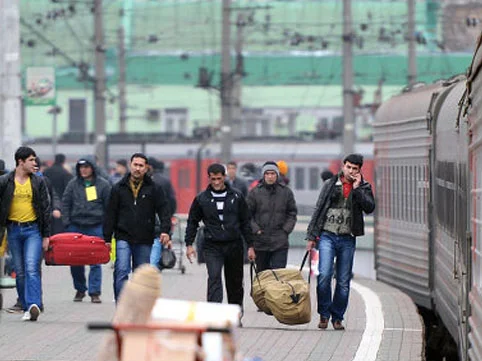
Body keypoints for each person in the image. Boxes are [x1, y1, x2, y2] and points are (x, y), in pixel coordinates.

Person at [306, 153, 375, 331]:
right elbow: (319, 208)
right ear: (343, 166)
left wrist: (358, 188)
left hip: (347, 238)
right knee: (324, 275)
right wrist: (311, 236)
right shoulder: (330, 184)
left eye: (355, 169)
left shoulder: (363, 187)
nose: (351, 171)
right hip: (327, 235)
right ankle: (324, 314)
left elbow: (369, 208)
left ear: (359, 171)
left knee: (343, 281)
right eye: (348, 167)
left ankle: (338, 317)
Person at [184, 163, 254, 319]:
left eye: (219, 178)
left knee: (235, 281)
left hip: (234, 244)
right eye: (213, 179)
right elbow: (192, 222)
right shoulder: (202, 198)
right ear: (209, 178)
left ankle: (235, 314)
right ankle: (214, 314)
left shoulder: (236, 196)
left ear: (224, 177)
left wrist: (250, 245)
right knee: (214, 277)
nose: (216, 182)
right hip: (212, 245)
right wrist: (189, 244)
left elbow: (245, 222)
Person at [103, 153, 171, 302]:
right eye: (135, 165)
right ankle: (122, 306)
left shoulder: (154, 188)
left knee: (141, 276)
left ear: (146, 168)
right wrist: (107, 238)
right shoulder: (118, 188)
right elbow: (110, 214)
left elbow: (164, 210)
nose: (138, 168)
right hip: (123, 236)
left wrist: (165, 230)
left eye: (141, 166)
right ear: (130, 165)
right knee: (121, 270)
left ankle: (137, 309)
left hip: (145, 238)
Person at [0, 146, 51, 321]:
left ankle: (34, 304)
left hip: (33, 230)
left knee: (32, 267)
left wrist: (46, 235)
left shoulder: (38, 182)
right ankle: (24, 304)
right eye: (31, 160)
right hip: (13, 230)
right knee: (19, 272)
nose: (34, 163)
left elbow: (45, 209)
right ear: (20, 162)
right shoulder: (5, 181)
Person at [62, 157, 111, 303]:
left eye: (86, 167)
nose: (83, 170)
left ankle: (94, 292)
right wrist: (67, 223)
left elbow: (109, 206)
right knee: (75, 259)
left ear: (93, 168)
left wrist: (107, 227)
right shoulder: (73, 184)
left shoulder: (103, 185)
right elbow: (66, 203)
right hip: (76, 226)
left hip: (96, 226)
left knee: (95, 260)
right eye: (81, 167)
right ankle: (80, 289)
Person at [247, 161, 297, 272]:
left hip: (280, 242)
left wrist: (285, 230)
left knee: (278, 276)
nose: (270, 176)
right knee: (263, 276)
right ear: (263, 175)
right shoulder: (254, 193)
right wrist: (256, 230)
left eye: (273, 173)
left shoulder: (286, 193)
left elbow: (292, 213)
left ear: (277, 175)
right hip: (260, 242)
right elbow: (247, 215)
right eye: (267, 173)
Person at [147, 157, 177, 268]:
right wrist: (169, 215)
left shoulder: (145, 182)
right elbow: (172, 201)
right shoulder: (165, 181)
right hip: (161, 223)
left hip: (148, 226)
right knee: (156, 254)